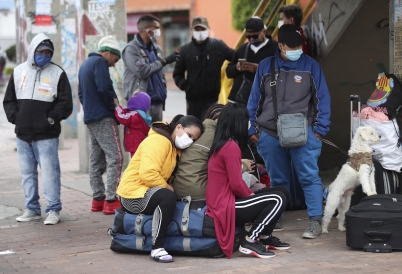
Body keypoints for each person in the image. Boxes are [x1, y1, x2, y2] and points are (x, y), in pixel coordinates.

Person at [247, 24, 331, 239]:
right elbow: (254, 100)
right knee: (277, 179)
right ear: (280, 45)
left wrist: (319, 130)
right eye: (291, 46)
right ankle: (276, 218)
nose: (297, 49)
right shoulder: (266, 66)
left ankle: (315, 221)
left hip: (305, 132)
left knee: (309, 177)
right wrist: (253, 130)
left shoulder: (311, 66)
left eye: (299, 45)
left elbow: (322, 98)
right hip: (270, 133)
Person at [3, 33, 73, 225]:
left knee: (50, 173)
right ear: (33, 51)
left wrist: (50, 119)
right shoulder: (18, 72)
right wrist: (16, 119)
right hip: (23, 135)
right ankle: (32, 209)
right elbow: (9, 100)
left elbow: (65, 103)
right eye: (41, 51)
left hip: (47, 136)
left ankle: (53, 210)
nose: (45, 55)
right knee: (27, 174)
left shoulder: (58, 73)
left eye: (48, 52)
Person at [206, 103, 290, 259]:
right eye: (247, 120)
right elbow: (236, 184)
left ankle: (265, 237)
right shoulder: (230, 147)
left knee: (282, 192)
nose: (249, 124)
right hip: (225, 205)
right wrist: (251, 195)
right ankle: (250, 240)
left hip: (228, 200)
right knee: (277, 198)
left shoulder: (225, 143)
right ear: (238, 122)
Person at [117, 115, 203, 263]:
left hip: (147, 191)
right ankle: (157, 247)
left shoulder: (174, 148)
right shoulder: (159, 141)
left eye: (193, 139)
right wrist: (168, 187)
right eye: (189, 135)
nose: (190, 141)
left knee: (168, 196)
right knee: (167, 196)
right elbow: (147, 173)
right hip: (131, 195)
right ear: (178, 127)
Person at [78, 35, 123, 215]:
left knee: (95, 160)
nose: (114, 64)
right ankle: (111, 199)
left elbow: (81, 94)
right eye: (115, 59)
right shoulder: (100, 63)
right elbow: (105, 88)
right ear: (108, 52)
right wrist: (115, 108)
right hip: (104, 117)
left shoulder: (85, 65)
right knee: (116, 157)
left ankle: (98, 199)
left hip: (90, 117)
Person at [173, 16, 235, 120]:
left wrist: (231, 70)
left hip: (212, 99)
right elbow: (177, 74)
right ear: (191, 30)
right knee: (193, 128)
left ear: (208, 29)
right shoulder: (185, 50)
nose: (200, 32)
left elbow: (235, 56)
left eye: (203, 29)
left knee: (208, 128)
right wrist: (186, 86)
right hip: (192, 100)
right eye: (197, 29)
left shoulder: (218, 46)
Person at [122, 15, 179, 122]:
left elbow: (160, 73)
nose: (159, 31)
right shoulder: (132, 49)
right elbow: (141, 71)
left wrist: (162, 93)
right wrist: (164, 61)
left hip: (157, 102)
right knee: (142, 137)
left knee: (156, 136)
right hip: (141, 104)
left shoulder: (157, 49)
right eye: (156, 28)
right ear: (148, 31)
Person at [173, 104, 224, 199]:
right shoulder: (218, 137)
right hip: (198, 191)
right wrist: (244, 165)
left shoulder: (198, 130)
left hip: (176, 187)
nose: (190, 140)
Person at [226, 17, 277, 104]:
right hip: (239, 101)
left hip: (264, 101)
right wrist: (237, 68)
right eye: (248, 37)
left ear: (263, 32)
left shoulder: (276, 48)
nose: (251, 39)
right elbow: (228, 72)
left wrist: (259, 69)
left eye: (255, 36)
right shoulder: (242, 49)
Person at [114, 91, 152, 158]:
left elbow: (122, 117)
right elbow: (127, 113)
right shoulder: (140, 115)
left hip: (135, 146)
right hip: (138, 145)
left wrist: (117, 106)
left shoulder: (136, 116)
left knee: (135, 164)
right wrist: (120, 108)